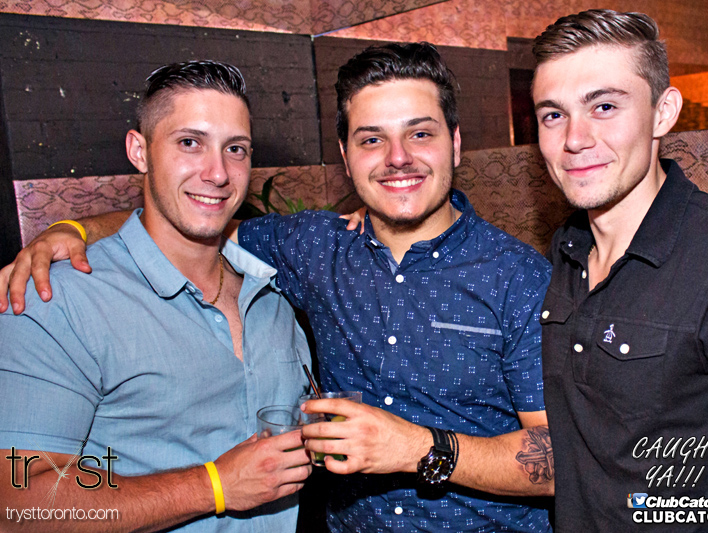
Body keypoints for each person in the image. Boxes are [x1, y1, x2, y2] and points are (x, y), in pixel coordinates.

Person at [0, 43, 555, 532]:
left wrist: (418, 448)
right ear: (346, 157)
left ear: (454, 143)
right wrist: (69, 230)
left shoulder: (518, 276)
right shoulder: (312, 247)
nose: (398, 158)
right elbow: (190, 219)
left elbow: (559, 460)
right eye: (372, 139)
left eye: (420, 134)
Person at [0, 61, 313, 532]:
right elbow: (17, 505)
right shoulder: (56, 300)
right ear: (139, 151)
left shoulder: (272, 290)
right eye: (190, 143)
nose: (218, 173)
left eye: (235, 149)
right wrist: (213, 486)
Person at [531, 9, 708, 531]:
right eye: (553, 115)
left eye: (604, 106)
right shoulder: (562, 251)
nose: (575, 139)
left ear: (663, 113)